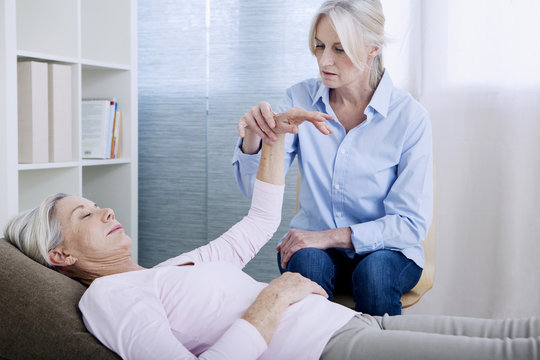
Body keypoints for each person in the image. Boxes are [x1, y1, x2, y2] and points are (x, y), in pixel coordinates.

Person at [3, 108, 540, 360]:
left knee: (515, 333)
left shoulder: (166, 272)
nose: (105, 210)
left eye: (96, 203)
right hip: (326, 349)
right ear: (60, 253)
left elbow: (260, 222)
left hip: (349, 323)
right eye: (85, 214)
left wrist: (277, 140)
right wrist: (274, 297)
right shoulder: (111, 297)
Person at [232, 0, 432, 316]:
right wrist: (257, 138)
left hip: (388, 251)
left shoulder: (409, 118)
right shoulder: (298, 99)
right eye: (319, 46)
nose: (324, 60)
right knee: (307, 264)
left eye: (339, 49)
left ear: (372, 49)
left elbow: (410, 223)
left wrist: (329, 237)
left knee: (375, 274)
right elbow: (254, 194)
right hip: (315, 250)